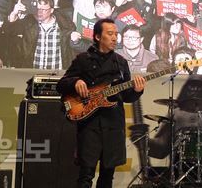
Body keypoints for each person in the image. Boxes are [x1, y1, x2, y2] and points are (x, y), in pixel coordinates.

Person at [56, 19, 146, 188]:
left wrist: (137, 90)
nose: (114, 38)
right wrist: (75, 82)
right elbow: (61, 84)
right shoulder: (83, 59)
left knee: (107, 176)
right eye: (110, 34)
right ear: (97, 36)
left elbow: (125, 96)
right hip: (90, 124)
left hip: (113, 124)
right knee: (85, 176)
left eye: (116, 34)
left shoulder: (121, 62)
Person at [4, 0, 76, 69]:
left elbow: (72, 51)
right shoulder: (29, 23)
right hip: (33, 71)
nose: (39, 12)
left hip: (57, 70)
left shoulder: (65, 25)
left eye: (43, 9)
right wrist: (14, 13)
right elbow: (9, 30)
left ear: (51, 10)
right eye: (37, 9)